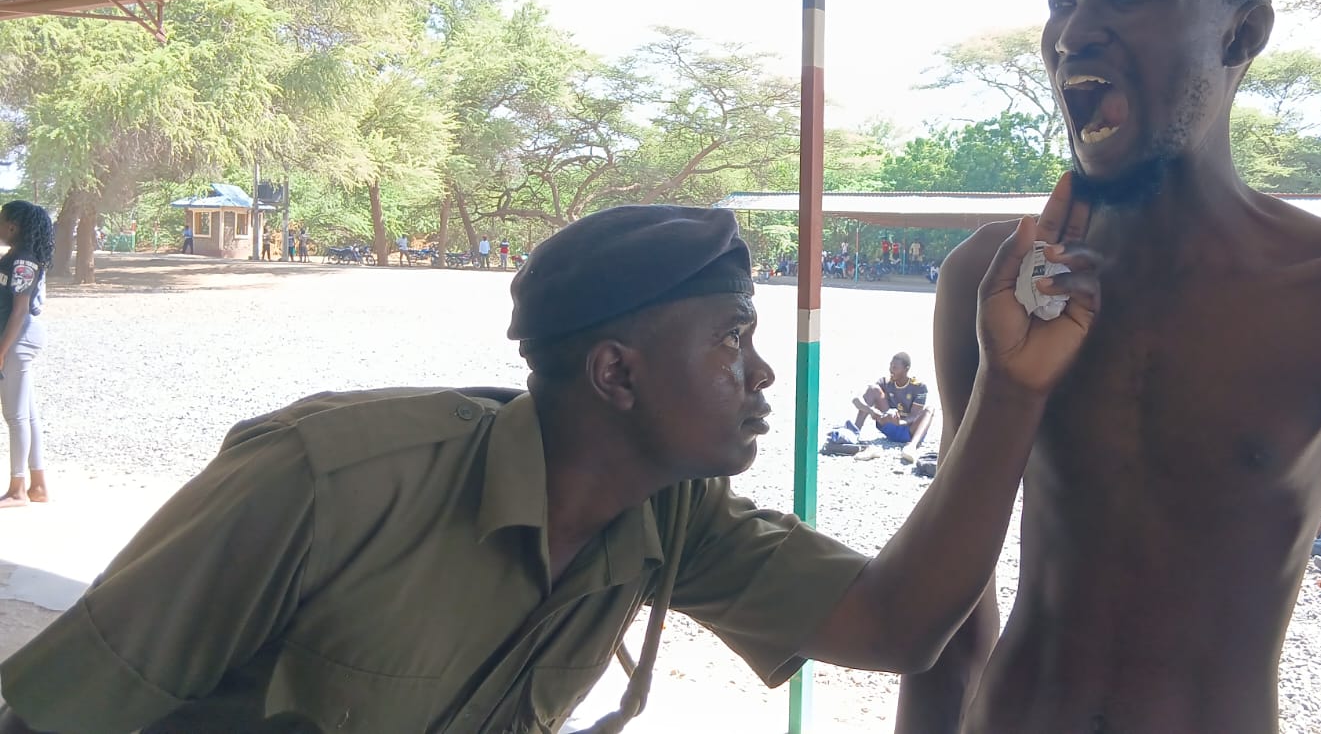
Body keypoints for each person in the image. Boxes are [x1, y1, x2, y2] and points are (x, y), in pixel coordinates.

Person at [0, 200, 1103, 734]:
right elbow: (55, 713)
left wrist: (1011, 394)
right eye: (729, 339)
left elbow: (900, 627)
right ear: (617, 376)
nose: (763, 374)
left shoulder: (673, 517)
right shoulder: (326, 481)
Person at [897, 0, 1321, 734]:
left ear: (1241, 32)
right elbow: (949, 610)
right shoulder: (996, 280)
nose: (1074, 32)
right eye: (1064, 1)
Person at [0, 202, 52, 509]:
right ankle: (38, 486)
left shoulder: (24, 260)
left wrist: (2, 350)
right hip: (15, 339)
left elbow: (19, 310)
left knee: (15, 416)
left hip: (18, 339)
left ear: (12, 226)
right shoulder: (15, 257)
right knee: (28, 415)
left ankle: (17, 490)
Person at [852, 353, 935, 461]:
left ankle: (911, 447)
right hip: (889, 425)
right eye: (890, 366)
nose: (891, 370)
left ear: (906, 369)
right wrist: (871, 411)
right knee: (873, 389)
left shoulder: (919, 387)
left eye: (895, 367)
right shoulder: (885, 382)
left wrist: (900, 422)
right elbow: (856, 400)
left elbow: (914, 415)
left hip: (909, 431)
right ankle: (853, 433)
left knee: (930, 409)